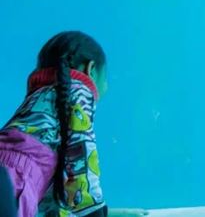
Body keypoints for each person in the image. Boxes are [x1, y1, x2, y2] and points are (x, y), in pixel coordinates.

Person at [0, 32, 147, 217]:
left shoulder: (36, 103)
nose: (107, 87)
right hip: (11, 185)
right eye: (105, 78)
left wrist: (113, 213)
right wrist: (95, 212)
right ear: (90, 69)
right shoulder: (78, 90)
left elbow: (50, 201)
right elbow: (81, 157)